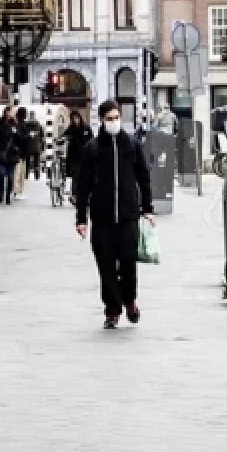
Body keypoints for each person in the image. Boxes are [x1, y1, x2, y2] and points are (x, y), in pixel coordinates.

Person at [73, 100, 155, 330]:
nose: (114, 122)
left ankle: (129, 300)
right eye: (109, 118)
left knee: (128, 263)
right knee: (106, 266)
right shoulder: (93, 148)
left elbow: (143, 177)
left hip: (128, 216)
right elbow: (83, 186)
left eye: (116, 117)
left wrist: (147, 208)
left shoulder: (131, 144)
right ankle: (112, 309)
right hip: (102, 218)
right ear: (102, 120)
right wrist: (81, 219)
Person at [0, 106, 22, 205]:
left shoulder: (15, 125)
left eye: (11, 112)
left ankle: (7, 196)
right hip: (2, 152)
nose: (9, 113)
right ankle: (1, 194)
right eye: (8, 112)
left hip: (12, 154)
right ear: (5, 113)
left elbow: (20, 139)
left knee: (10, 177)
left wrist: (16, 132)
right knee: (1, 175)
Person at [61, 110, 93, 191]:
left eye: (76, 118)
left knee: (84, 175)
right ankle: (74, 193)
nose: (75, 120)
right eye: (73, 118)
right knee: (76, 174)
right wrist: (60, 140)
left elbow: (92, 140)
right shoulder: (71, 128)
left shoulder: (86, 128)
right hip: (73, 155)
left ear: (80, 118)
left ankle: (82, 192)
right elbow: (64, 136)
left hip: (85, 154)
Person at [23, 110, 46, 182]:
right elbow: (42, 137)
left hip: (27, 147)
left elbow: (23, 136)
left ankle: (26, 175)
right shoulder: (38, 125)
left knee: (27, 163)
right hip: (37, 147)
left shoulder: (26, 125)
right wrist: (42, 147)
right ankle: (37, 176)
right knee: (37, 163)